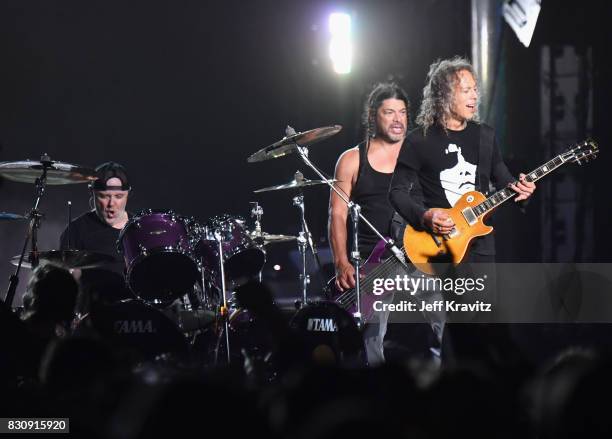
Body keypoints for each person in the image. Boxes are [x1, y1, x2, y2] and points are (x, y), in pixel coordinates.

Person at [389, 56, 536, 365]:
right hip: (442, 249)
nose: (474, 97)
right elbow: (397, 192)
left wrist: (522, 193)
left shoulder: (485, 136)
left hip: (481, 247)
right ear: (444, 95)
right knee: (453, 329)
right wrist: (425, 216)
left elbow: (505, 181)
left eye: (475, 90)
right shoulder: (418, 141)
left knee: (484, 324)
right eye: (466, 90)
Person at [328, 82, 410, 365]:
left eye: (402, 112)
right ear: (374, 115)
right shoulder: (352, 159)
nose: (398, 119)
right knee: (373, 345)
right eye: (390, 112)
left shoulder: (419, 156)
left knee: (436, 334)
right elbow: (337, 214)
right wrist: (341, 262)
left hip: (418, 261)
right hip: (373, 268)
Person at [60, 161, 132, 308]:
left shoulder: (138, 229)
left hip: (135, 312)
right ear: (92, 192)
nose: (111, 203)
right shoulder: (76, 230)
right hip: (93, 314)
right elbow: (69, 282)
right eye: (104, 196)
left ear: (128, 194)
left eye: (118, 196)